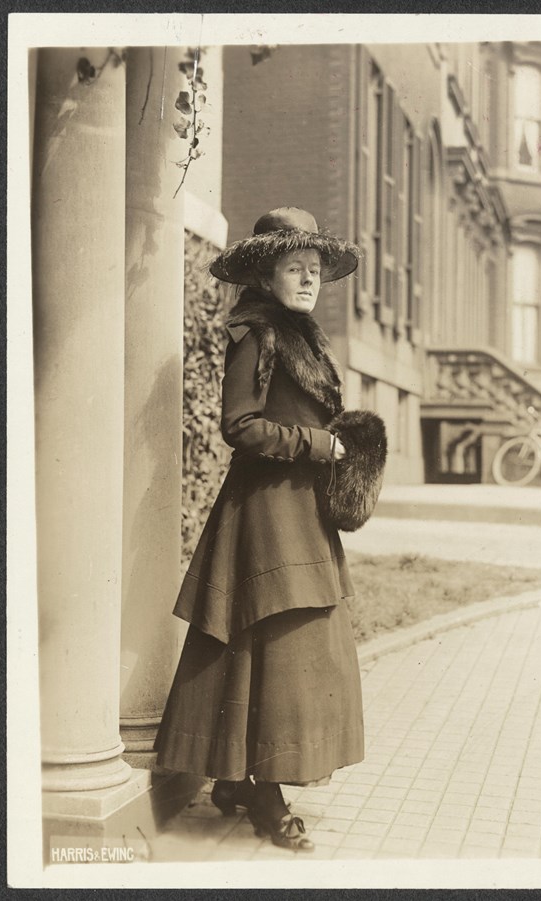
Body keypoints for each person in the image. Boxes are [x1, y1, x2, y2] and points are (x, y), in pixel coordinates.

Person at [154, 207, 365, 853]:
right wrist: (316, 445)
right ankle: (266, 796)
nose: (307, 279)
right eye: (295, 268)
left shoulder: (302, 334)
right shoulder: (256, 333)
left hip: (300, 508)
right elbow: (239, 425)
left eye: (314, 270)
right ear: (267, 272)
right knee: (275, 640)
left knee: (285, 643)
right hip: (264, 512)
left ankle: (235, 781)